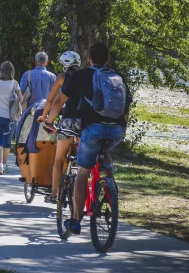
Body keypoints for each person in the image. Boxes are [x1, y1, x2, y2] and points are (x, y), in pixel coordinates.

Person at [44, 42, 132, 234]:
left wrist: (48, 122)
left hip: (93, 129)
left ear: (89, 59)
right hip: (116, 130)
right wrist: (122, 130)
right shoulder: (117, 77)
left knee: (83, 171)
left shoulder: (84, 75)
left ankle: (75, 220)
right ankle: (111, 196)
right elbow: (126, 107)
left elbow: (59, 102)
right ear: (107, 59)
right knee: (104, 154)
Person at [36, 51, 82, 204]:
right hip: (85, 122)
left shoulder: (62, 77)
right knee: (83, 161)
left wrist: (46, 119)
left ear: (64, 65)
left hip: (68, 121)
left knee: (59, 159)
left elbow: (52, 101)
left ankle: (55, 195)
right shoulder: (85, 76)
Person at [0, 61, 22, 175]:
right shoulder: (15, 83)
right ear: (12, 71)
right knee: (7, 142)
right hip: (10, 118)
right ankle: (5, 164)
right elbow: (21, 99)